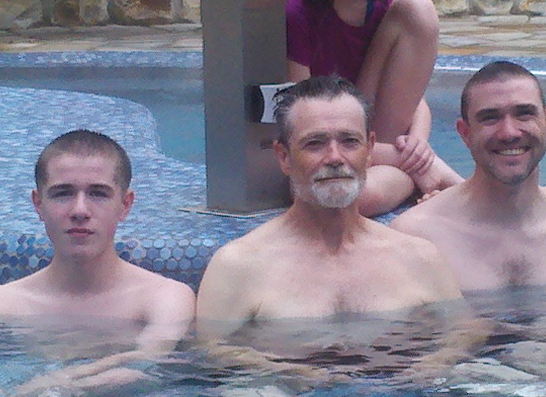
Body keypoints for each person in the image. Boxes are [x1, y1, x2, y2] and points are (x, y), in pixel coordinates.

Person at [0, 130, 195, 397]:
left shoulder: (163, 298)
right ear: (39, 204)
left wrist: (46, 387)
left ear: (125, 205)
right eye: (63, 194)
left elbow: (143, 364)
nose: (80, 210)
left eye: (98, 194)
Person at [195, 74, 466, 335]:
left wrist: (431, 361)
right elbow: (216, 352)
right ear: (284, 157)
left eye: (350, 141)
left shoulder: (418, 258)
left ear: (370, 150)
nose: (335, 157)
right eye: (315, 143)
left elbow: (463, 335)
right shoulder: (239, 267)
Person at [284, 0, 460, 215]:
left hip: (374, 140)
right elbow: (300, 121)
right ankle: (451, 187)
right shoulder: (298, 8)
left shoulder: (389, 2)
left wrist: (418, 145)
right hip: (325, 144)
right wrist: (412, 161)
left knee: (418, 8)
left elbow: (415, 100)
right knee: (352, 199)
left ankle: (436, 181)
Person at [393, 61, 546, 293]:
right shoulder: (417, 237)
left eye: (524, 114)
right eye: (490, 118)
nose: (509, 133)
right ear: (465, 133)